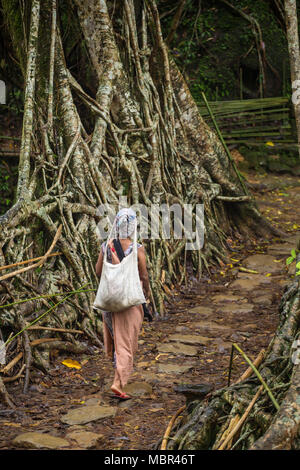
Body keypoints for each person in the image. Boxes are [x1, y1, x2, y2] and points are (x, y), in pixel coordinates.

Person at [95, 208, 151, 400]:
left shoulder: (106, 246)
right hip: (129, 303)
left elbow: (98, 271)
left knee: (116, 339)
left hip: (110, 302)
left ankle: (117, 373)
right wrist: (147, 293)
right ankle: (118, 384)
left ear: (116, 226)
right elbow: (143, 274)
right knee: (126, 343)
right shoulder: (137, 249)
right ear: (134, 226)